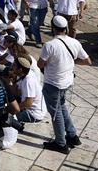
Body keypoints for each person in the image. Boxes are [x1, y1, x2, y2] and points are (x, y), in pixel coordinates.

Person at [38, 15, 92, 153]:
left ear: (53, 28)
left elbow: (40, 64)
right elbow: (87, 61)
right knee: (61, 107)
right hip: (67, 82)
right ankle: (72, 136)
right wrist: (71, 62)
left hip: (53, 83)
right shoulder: (75, 42)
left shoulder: (49, 45)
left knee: (56, 114)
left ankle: (61, 143)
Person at [11, 57, 46, 124]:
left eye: (14, 65)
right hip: (27, 108)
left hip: (32, 114)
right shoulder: (24, 76)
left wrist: (14, 109)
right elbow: (18, 93)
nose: (12, 67)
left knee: (6, 117)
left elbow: (28, 102)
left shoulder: (28, 81)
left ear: (20, 70)